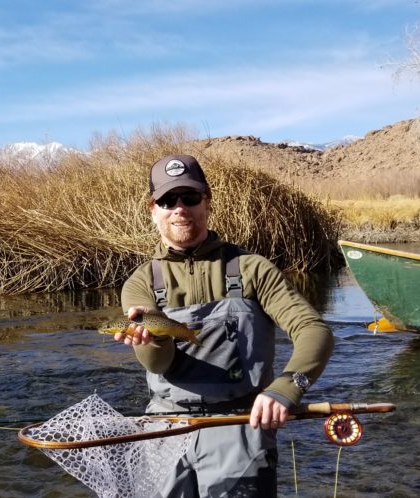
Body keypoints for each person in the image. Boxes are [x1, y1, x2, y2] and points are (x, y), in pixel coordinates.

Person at [114, 154, 334, 497]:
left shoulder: (251, 268)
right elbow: (158, 364)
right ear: (152, 209)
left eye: (190, 198)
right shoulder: (140, 283)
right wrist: (151, 340)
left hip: (242, 425)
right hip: (165, 427)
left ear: (207, 202)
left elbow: (313, 330)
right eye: (168, 200)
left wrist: (286, 388)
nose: (179, 208)